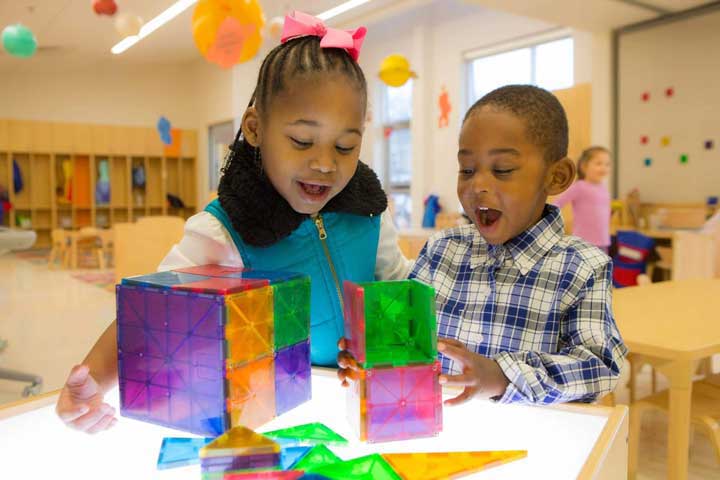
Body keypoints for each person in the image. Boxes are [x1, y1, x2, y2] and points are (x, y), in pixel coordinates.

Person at [56, 11, 411, 434]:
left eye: (346, 145)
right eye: (301, 141)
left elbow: (399, 288)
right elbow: (154, 314)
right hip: (278, 417)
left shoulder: (368, 213)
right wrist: (93, 379)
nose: (324, 164)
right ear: (255, 129)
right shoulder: (223, 229)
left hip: (359, 407)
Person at [339, 85, 627, 406]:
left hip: (531, 443)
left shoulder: (583, 267)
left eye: (502, 170)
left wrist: (501, 376)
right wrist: (369, 349)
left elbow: (600, 366)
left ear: (556, 177)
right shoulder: (441, 249)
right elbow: (405, 336)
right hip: (437, 435)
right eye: (467, 170)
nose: (478, 186)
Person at [552, 146, 612, 252]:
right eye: (599, 163)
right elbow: (557, 203)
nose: (604, 167)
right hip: (583, 243)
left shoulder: (603, 188)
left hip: (602, 242)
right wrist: (553, 223)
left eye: (607, 164)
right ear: (584, 166)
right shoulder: (580, 187)